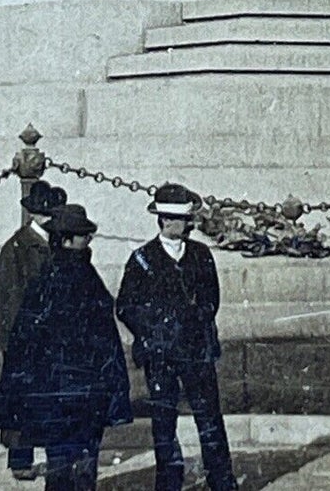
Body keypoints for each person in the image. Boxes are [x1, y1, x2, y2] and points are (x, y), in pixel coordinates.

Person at [0, 203, 132, 491]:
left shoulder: (47, 277)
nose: (89, 239)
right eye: (84, 234)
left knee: (61, 462)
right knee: (81, 462)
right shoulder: (79, 276)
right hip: (80, 390)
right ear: (67, 239)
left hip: (58, 391)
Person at [116, 182, 237, 491]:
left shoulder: (201, 254)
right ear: (166, 220)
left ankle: (222, 481)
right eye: (182, 220)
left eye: (187, 220)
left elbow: (211, 299)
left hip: (197, 351)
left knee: (209, 418)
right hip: (161, 354)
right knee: (164, 423)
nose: (187, 226)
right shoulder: (142, 259)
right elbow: (126, 306)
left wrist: (196, 318)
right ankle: (168, 483)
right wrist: (155, 328)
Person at [0, 181, 67, 482]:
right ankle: (20, 460)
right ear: (34, 214)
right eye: (46, 213)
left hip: (51, 339)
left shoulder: (56, 244)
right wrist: (9, 341)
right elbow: (5, 298)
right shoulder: (17, 247)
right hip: (24, 341)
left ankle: (55, 457)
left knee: (50, 399)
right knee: (20, 402)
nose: (50, 217)